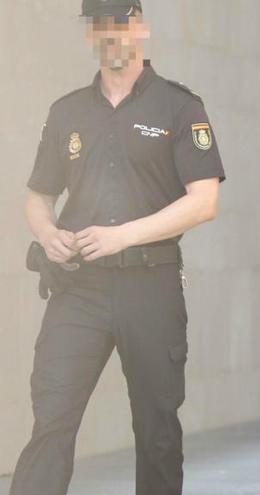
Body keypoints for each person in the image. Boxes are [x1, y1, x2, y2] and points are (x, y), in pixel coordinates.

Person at [11, 1, 224, 494]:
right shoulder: (66, 111)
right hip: (78, 289)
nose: (111, 34)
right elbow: (39, 196)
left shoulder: (179, 106)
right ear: (90, 34)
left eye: (120, 23)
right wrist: (48, 235)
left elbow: (204, 201)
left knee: (157, 432)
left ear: (140, 27)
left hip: (149, 285)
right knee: (51, 419)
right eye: (99, 25)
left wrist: (121, 236)